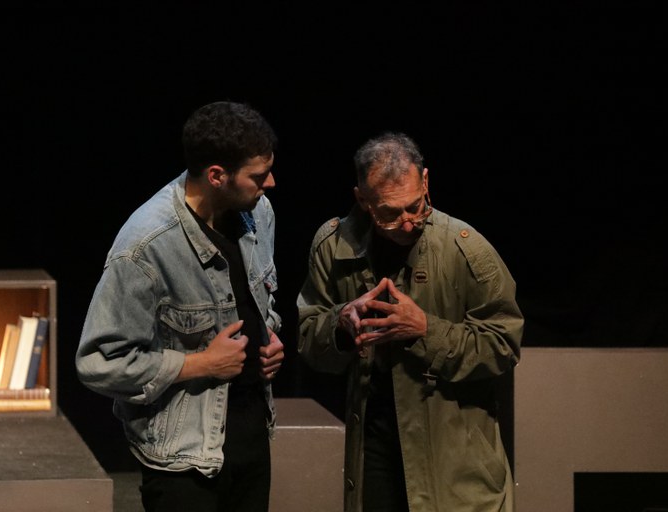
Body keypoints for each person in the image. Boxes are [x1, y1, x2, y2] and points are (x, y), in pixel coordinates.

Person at [76, 100, 285, 512]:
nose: (271, 183)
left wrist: (269, 334)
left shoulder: (258, 213)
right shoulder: (146, 247)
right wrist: (199, 364)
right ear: (217, 176)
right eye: (258, 176)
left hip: (251, 439)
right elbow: (98, 362)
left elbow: (262, 299)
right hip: (183, 460)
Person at [297, 132, 523, 512]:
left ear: (426, 181)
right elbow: (307, 336)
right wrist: (340, 325)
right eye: (390, 213)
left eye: (415, 207)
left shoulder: (465, 249)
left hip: (454, 458)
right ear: (362, 199)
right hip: (375, 447)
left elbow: (503, 343)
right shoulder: (333, 247)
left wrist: (426, 331)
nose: (406, 224)